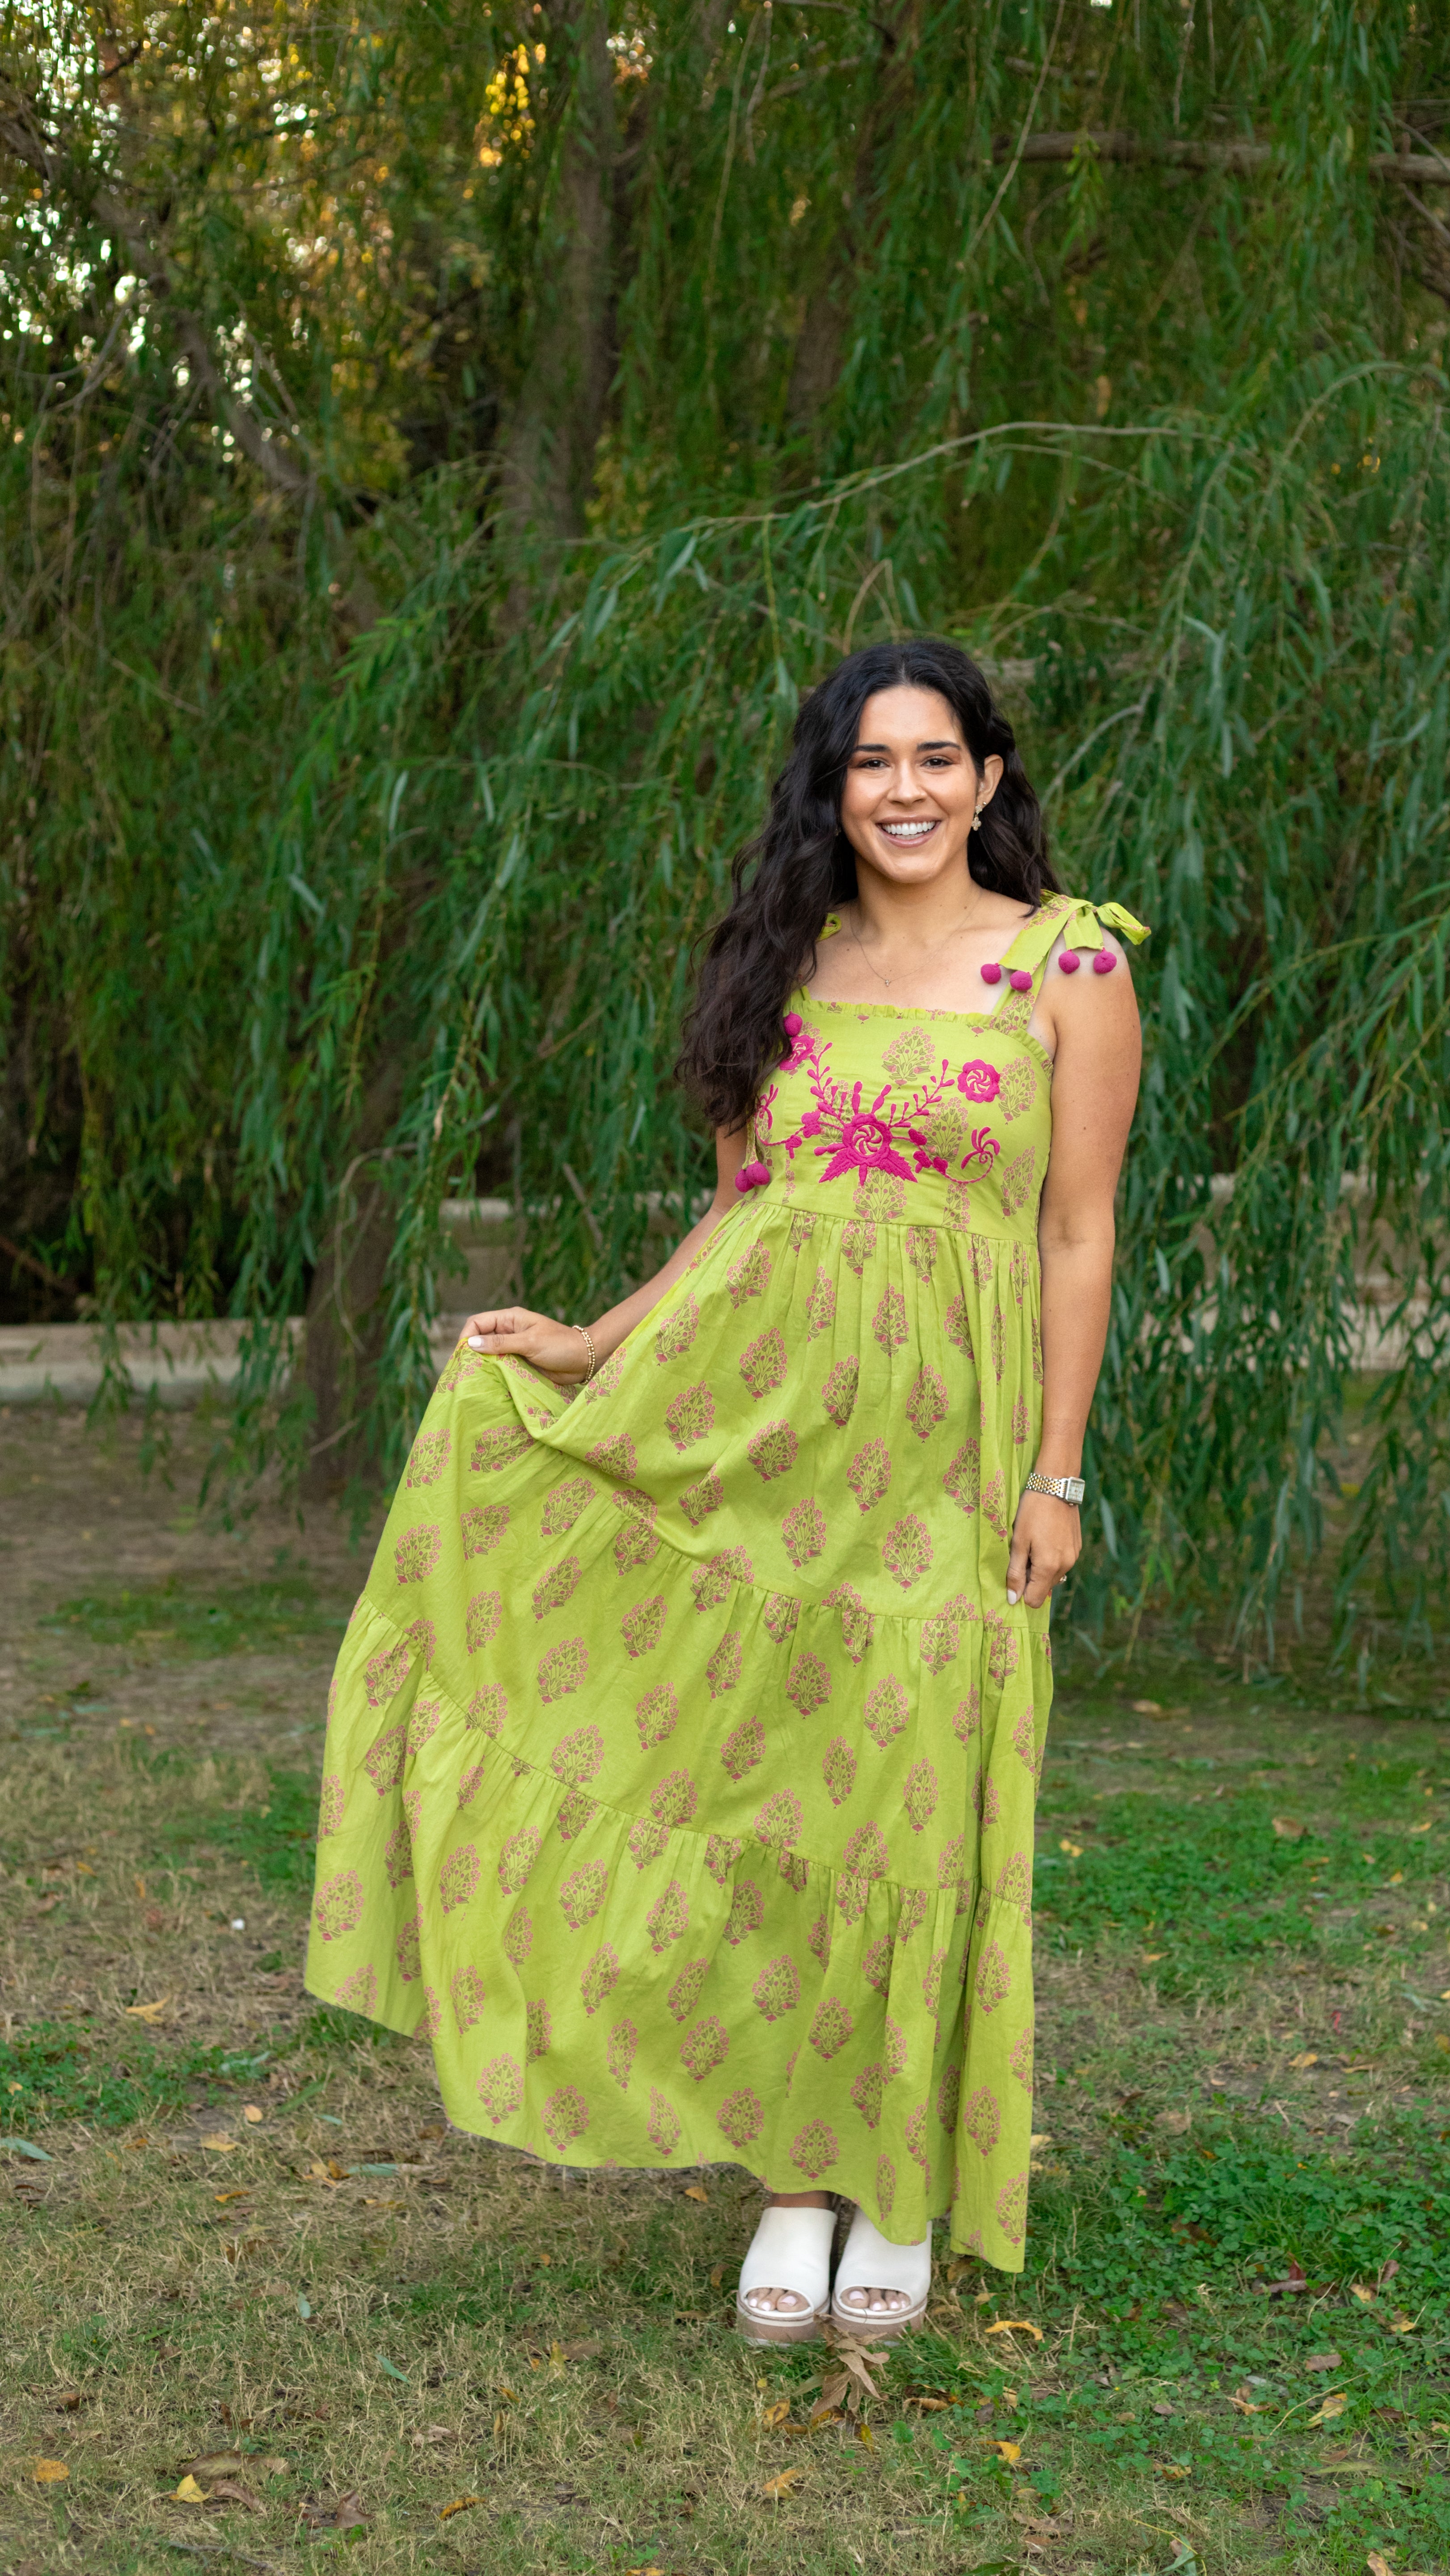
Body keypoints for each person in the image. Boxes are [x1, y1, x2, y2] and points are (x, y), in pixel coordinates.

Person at [304, 636, 1145, 2342]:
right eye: (868, 764)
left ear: (989, 780)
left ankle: (896, 2180)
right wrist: (593, 1346)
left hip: (951, 1444)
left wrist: (1059, 1470)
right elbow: (738, 1217)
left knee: (912, 1790)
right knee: (782, 1797)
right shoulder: (789, 964)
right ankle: (791, 2176)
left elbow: (1075, 1232)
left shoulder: (1069, 968)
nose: (903, 791)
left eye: (935, 758)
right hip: (762, 1432)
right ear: (829, 792)